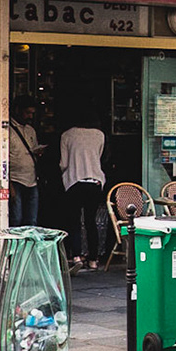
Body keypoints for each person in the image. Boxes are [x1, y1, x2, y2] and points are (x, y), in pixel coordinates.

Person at [59, 114, 108, 270]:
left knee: (74, 221)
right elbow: (100, 157)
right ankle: (93, 259)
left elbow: (63, 163)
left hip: (75, 181)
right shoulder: (99, 135)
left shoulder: (67, 135)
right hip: (94, 181)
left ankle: (76, 256)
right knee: (90, 221)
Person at [6, 101, 44, 227]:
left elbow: (33, 149)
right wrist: (8, 184)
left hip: (32, 180)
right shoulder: (7, 130)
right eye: (27, 113)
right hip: (15, 179)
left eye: (32, 113)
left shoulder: (30, 130)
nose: (30, 116)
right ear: (18, 110)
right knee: (16, 218)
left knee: (32, 219)